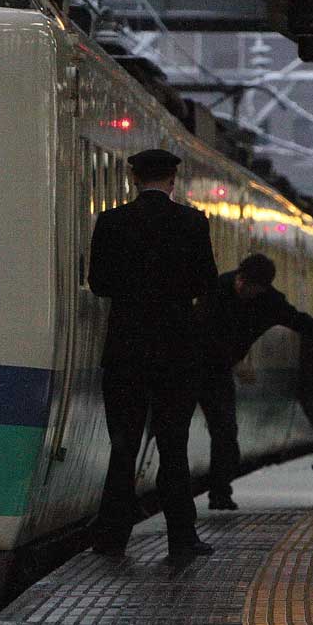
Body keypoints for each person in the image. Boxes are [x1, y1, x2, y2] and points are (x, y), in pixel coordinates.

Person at [87, 147, 220, 561]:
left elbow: (99, 284)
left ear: (133, 179)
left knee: (123, 447)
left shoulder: (110, 222)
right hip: (177, 354)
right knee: (173, 447)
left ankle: (112, 539)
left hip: (125, 352)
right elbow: (206, 283)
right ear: (172, 181)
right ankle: (181, 538)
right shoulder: (192, 222)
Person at [195, 254, 313, 510]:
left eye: (251, 286)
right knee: (204, 429)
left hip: (218, 373)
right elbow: (200, 331)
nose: (242, 288)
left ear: (263, 288)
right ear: (238, 275)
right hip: (190, 366)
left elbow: (303, 323)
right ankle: (202, 492)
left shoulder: (269, 303)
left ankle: (220, 493)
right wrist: (234, 361)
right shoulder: (216, 290)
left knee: (225, 431)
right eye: (241, 281)